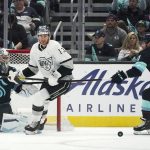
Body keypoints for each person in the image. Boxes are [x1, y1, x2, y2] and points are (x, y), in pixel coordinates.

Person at [11, 25, 74, 135]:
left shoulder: (55, 46)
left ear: (49, 36)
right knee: (43, 101)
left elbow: (69, 65)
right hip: (47, 79)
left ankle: (34, 124)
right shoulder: (34, 48)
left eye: (45, 36)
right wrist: (20, 75)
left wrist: (56, 76)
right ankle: (41, 120)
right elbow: (33, 69)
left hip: (63, 80)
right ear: (37, 36)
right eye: (41, 36)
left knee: (39, 97)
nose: (43, 38)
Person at [111, 34, 150, 134]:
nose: (142, 44)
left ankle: (148, 122)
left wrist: (122, 76)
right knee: (148, 94)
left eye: (144, 42)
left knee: (147, 94)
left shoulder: (147, 52)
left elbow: (137, 71)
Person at [0, 48, 30, 126]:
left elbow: (26, 92)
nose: (5, 60)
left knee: (7, 125)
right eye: (3, 57)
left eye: (6, 57)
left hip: (4, 105)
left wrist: (16, 80)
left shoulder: (12, 70)